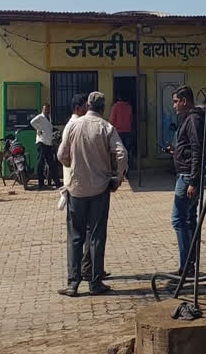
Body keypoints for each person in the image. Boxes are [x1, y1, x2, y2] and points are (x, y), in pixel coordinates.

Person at [57, 92, 127, 297]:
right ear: (103, 108)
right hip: (99, 190)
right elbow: (121, 154)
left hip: (76, 190)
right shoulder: (106, 127)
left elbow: (61, 155)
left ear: (87, 106)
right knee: (96, 237)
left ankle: (73, 284)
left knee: (75, 238)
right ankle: (95, 283)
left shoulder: (73, 125)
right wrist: (118, 178)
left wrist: (72, 165)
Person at [169, 85, 205, 274]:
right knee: (190, 219)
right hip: (187, 174)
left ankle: (185, 265)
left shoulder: (192, 119)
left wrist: (193, 180)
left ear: (184, 101)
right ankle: (190, 264)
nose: (174, 105)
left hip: (187, 177)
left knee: (178, 219)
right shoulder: (192, 119)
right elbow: (191, 148)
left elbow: (197, 149)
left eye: (176, 101)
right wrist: (176, 152)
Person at [30, 103, 61, 188]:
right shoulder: (40, 117)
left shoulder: (49, 117)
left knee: (51, 163)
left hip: (48, 143)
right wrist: (38, 129)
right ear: (42, 110)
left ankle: (57, 182)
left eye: (47, 109)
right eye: (45, 109)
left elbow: (49, 128)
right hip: (41, 142)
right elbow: (32, 122)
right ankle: (41, 183)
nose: (46, 111)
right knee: (40, 162)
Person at [109, 95, 133, 174]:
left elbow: (112, 121)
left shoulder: (115, 107)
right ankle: (127, 171)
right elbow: (131, 119)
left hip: (118, 133)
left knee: (118, 153)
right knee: (127, 152)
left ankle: (119, 171)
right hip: (127, 131)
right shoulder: (129, 107)